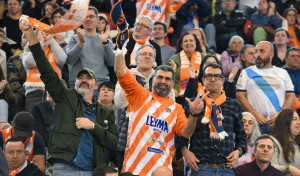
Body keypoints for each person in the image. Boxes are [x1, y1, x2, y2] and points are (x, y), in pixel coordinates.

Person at [20, 21, 118, 175]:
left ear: (96, 85)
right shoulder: (65, 97)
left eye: (88, 77)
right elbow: (46, 69)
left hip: (93, 170)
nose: (84, 79)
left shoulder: (105, 112)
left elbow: (114, 142)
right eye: (80, 77)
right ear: (75, 82)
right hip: (65, 167)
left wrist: (93, 126)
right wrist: (31, 36)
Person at [114, 45, 207, 175]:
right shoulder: (140, 95)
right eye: (160, 77)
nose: (163, 81)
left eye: (168, 79)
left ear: (172, 83)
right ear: (153, 79)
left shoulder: (177, 108)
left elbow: (186, 133)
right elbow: (120, 71)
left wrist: (193, 114)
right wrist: (119, 50)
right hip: (134, 169)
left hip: (162, 170)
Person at [176, 62, 247, 175]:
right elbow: (180, 132)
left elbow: (241, 136)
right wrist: (185, 151)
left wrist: (238, 151)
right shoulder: (194, 102)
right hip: (200, 167)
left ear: (223, 81)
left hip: (226, 168)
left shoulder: (234, 105)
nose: (213, 79)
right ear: (203, 80)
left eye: (217, 76)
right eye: (209, 76)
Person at [114, 44, 175, 171]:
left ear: (154, 61)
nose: (147, 57)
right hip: (128, 139)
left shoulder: (162, 79)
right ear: (135, 59)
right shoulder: (126, 74)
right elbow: (120, 103)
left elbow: (171, 106)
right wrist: (130, 83)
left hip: (155, 141)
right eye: (143, 54)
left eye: (150, 55)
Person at [236, 41, 295, 134]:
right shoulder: (246, 72)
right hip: (255, 123)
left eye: (262, 51)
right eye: (256, 51)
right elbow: (240, 96)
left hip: (278, 123)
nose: (257, 55)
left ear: (271, 55)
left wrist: (280, 115)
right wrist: (254, 114)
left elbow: (291, 97)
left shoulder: (283, 72)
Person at [66, 6, 115, 93]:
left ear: (97, 19)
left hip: (100, 85)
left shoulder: (105, 39)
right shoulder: (74, 38)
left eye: (91, 16)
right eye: (85, 17)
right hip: (78, 85)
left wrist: (105, 43)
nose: (88, 19)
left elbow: (112, 63)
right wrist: (80, 42)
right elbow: (70, 60)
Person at [23, 29, 67, 113]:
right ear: (35, 36)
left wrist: (52, 40)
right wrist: (39, 43)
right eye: (41, 34)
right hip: (34, 92)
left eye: (47, 34)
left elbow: (62, 60)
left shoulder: (54, 49)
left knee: (54, 121)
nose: (44, 36)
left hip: (54, 91)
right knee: (34, 122)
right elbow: (29, 62)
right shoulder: (28, 50)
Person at [167, 32, 204, 105]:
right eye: (185, 41)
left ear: (196, 43)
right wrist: (171, 89)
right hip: (178, 98)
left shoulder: (205, 58)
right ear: (181, 45)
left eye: (191, 40)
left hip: (201, 97)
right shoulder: (174, 59)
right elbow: (166, 75)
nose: (188, 43)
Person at [270, 109, 300, 175]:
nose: (299, 122)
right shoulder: (272, 141)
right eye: (295, 119)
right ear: (285, 123)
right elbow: (270, 166)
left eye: (299, 119)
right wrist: (288, 168)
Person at [283, 47, 300, 113]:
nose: (296, 58)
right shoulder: (281, 73)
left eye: (298, 56)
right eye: (293, 56)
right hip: (288, 105)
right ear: (286, 59)